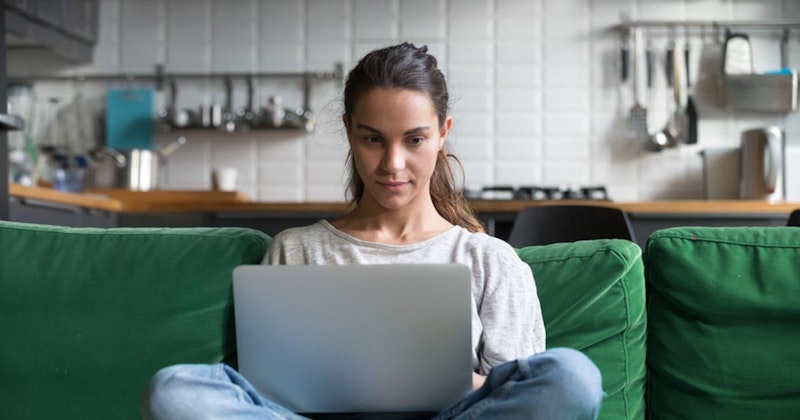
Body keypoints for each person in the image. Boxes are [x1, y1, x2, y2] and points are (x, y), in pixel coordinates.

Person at [141, 42, 603, 419]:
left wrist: (440, 379)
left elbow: (513, 396)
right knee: (176, 390)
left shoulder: (490, 259)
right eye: (373, 138)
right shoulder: (296, 251)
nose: (392, 164)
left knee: (571, 376)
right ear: (348, 132)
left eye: (414, 139)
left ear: (443, 133)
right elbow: (268, 393)